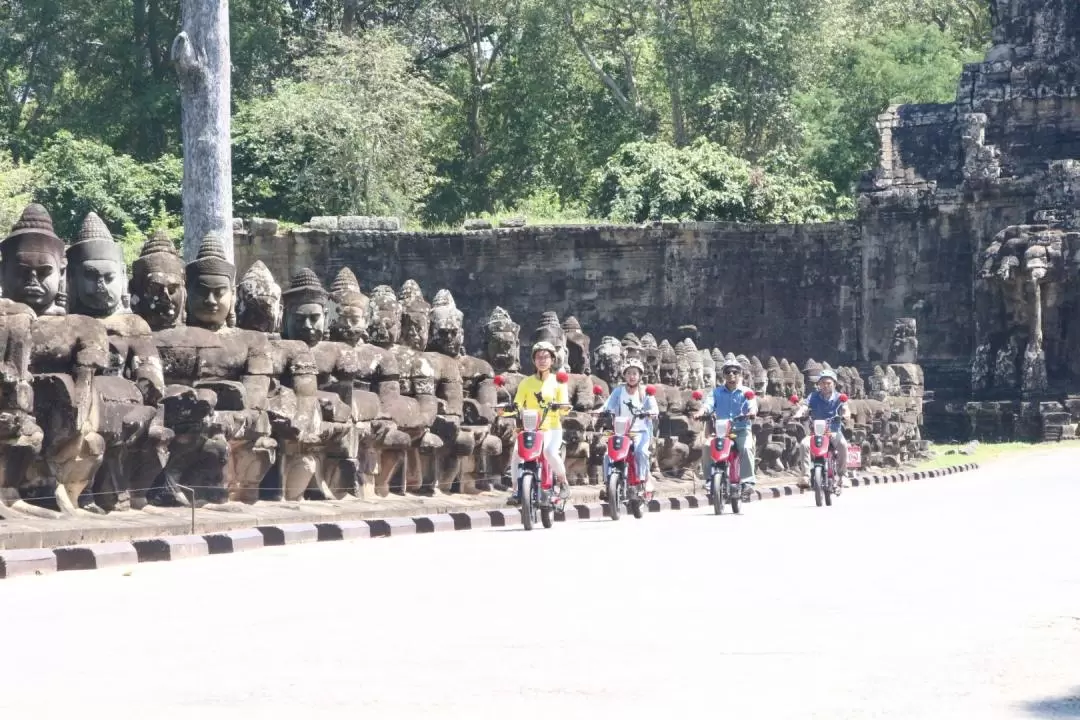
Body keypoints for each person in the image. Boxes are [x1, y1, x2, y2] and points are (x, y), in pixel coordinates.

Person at [507, 341, 571, 506]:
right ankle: (515, 490)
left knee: (549, 452)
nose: (542, 360)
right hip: (530, 428)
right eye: (539, 357)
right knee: (516, 454)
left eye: (546, 357)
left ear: (552, 360)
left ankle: (563, 482)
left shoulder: (559, 382)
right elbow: (518, 403)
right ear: (534, 360)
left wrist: (562, 406)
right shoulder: (526, 383)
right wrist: (509, 409)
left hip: (552, 427)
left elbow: (564, 405)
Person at [694, 355, 757, 500]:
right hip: (721, 431)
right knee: (707, 445)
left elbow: (752, 405)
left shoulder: (746, 392)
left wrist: (751, 412)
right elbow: (708, 405)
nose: (731, 375)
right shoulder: (716, 392)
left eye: (735, 372)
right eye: (728, 372)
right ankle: (710, 479)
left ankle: (747, 482)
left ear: (740, 374)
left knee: (746, 448)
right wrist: (701, 412)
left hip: (741, 430)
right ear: (723, 375)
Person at [596, 359, 659, 498]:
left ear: (640, 376)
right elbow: (608, 404)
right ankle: (608, 485)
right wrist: (600, 411)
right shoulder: (618, 391)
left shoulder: (645, 393)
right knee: (608, 455)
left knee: (640, 452)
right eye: (629, 373)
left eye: (635, 373)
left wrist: (650, 413)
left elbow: (654, 409)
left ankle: (643, 480)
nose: (632, 376)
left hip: (640, 431)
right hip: (621, 431)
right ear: (624, 375)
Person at [793, 368, 850, 486]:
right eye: (823, 383)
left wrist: (846, 414)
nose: (825, 386)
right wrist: (799, 413)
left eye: (828, 383)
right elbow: (804, 406)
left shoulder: (839, 398)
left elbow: (845, 408)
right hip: (816, 432)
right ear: (819, 384)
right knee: (804, 444)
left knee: (843, 444)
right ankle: (805, 476)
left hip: (833, 431)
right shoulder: (813, 396)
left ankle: (842, 475)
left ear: (834, 384)